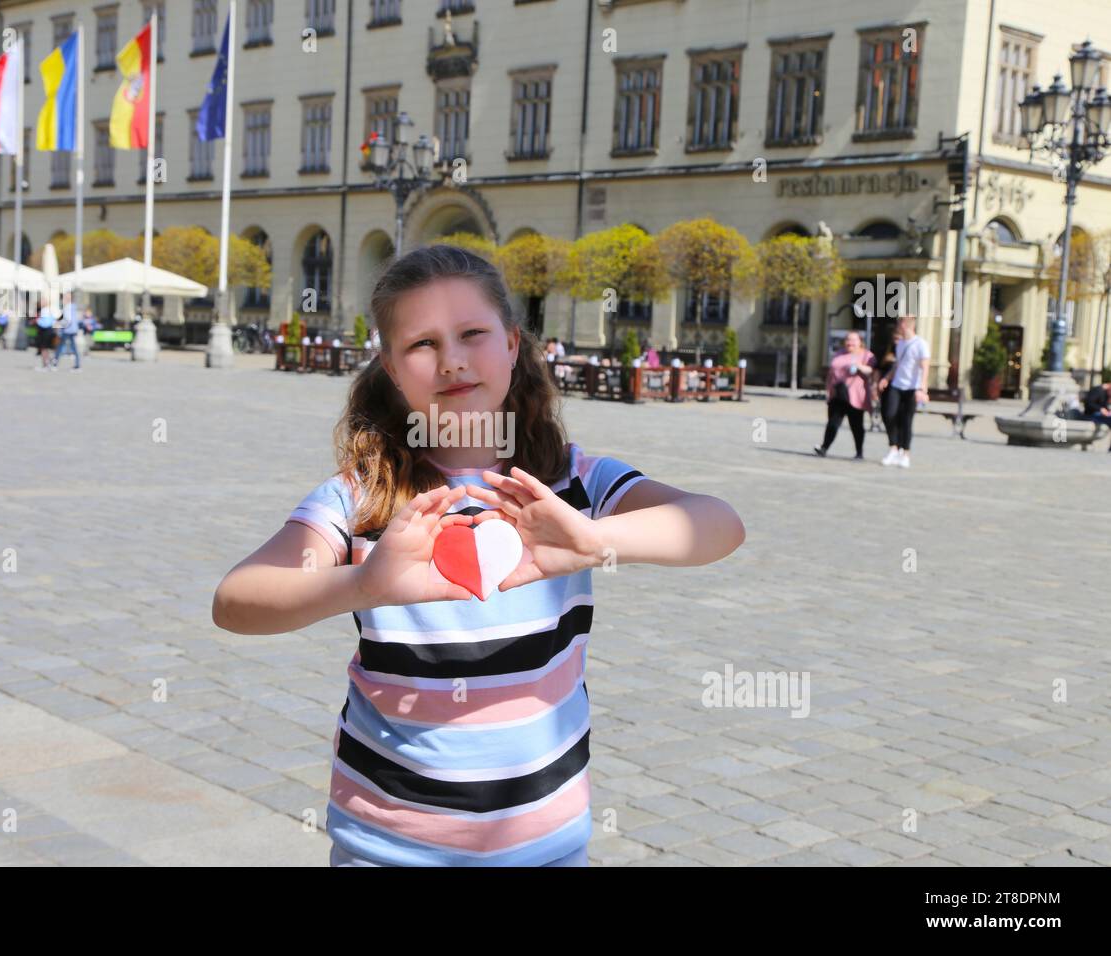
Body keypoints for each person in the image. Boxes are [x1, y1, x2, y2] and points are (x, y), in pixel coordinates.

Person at [211, 244, 746, 868]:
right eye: (422, 344)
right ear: (389, 364)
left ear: (513, 345)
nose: (453, 361)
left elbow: (719, 524)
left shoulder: (571, 483)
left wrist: (595, 542)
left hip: (544, 841)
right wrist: (364, 584)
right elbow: (236, 601)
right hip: (390, 844)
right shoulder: (362, 498)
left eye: (472, 334)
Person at [875, 314, 930, 468]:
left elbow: (925, 367)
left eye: (899, 324)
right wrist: (886, 378)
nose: (898, 327)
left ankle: (905, 453)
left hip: (912, 388)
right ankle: (893, 448)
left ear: (906, 325)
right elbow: (898, 365)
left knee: (906, 421)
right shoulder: (900, 344)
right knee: (888, 414)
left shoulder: (921, 344)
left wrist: (922, 389)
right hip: (897, 385)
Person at [815, 331, 876, 459]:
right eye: (848, 340)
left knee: (856, 425)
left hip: (856, 396)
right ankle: (824, 448)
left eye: (853, 340)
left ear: (860, 342)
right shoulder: (839, 353)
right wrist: (828, 390)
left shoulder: (866, 355)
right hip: (838, 394)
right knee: (833, 423)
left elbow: (871, 371)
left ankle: (859, 452)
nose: (850, 343)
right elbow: (832, 373)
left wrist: (859, 367)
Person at [53, 293, 82, 371]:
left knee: (60, 346)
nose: (63, 300)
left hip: (67, 330)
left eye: (65, 298)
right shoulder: (73, 307)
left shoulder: (68, 307)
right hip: (72, 329)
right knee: (73, 348)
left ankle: (54, 363)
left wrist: (58, 324)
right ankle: (77, 365)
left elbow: (68, 320)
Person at [34, 306, 57, 370]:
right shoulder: (50, 311)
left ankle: (45, 365)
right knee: (48, 349)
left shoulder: (44, 311)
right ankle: (51, 364)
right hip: (51, 331)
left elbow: (43, 323)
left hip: (44, 332)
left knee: (44, 349)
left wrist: (37, 320)